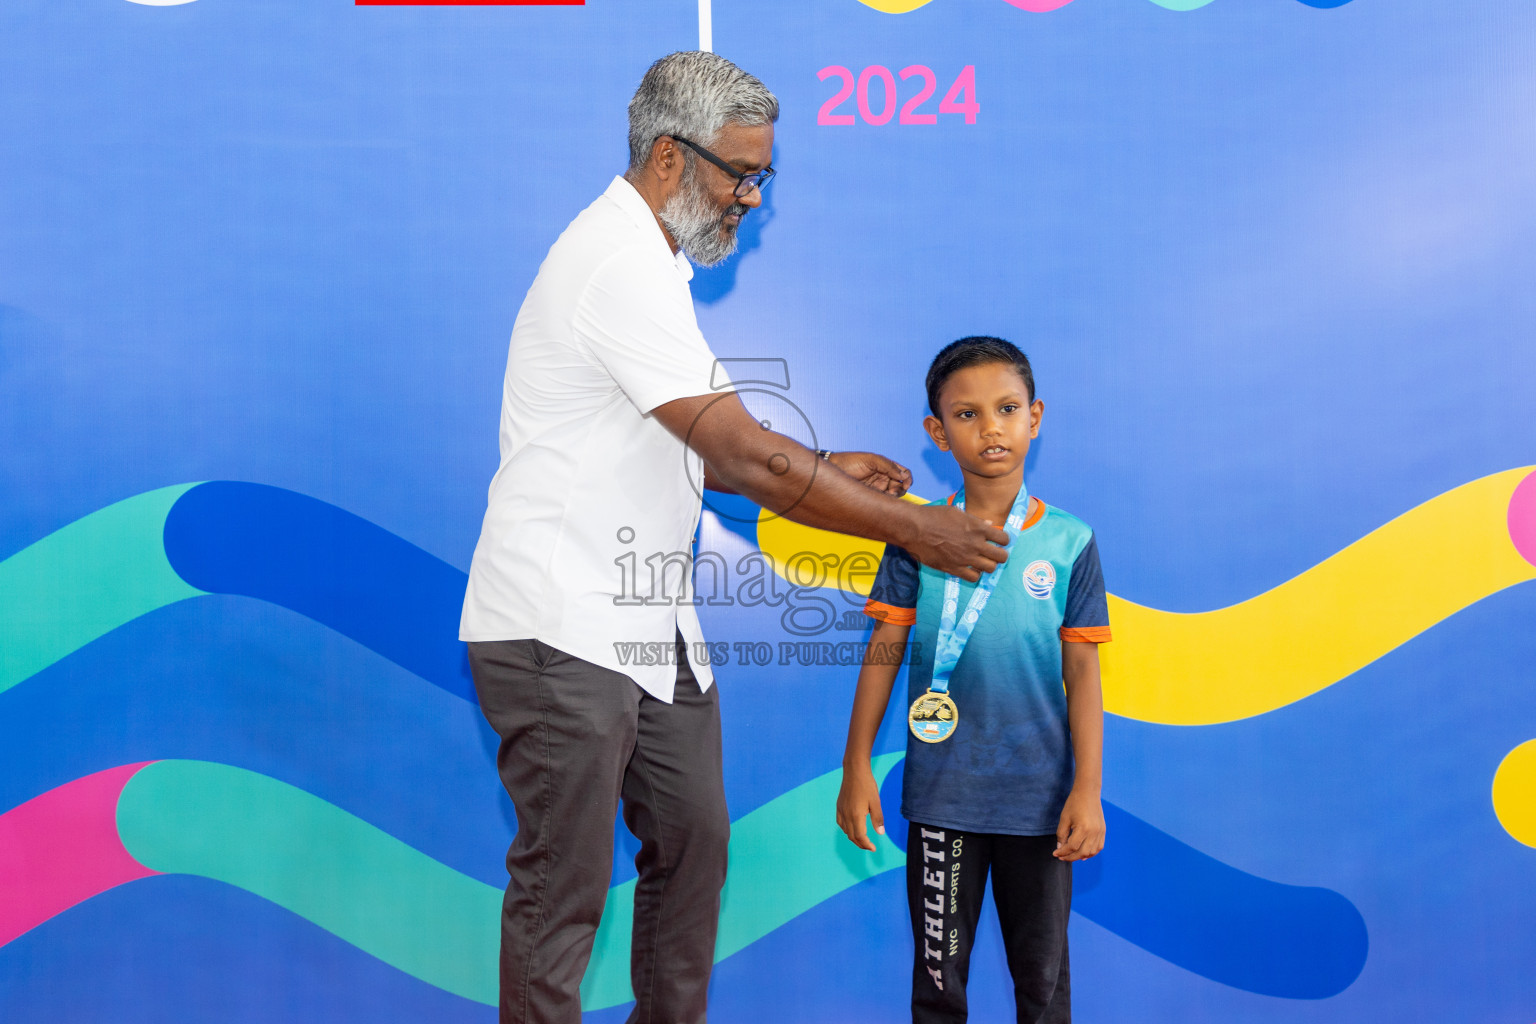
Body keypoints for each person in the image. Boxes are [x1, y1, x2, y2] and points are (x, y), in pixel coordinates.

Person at [460, 53, 1013, 1024]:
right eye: (740, 174)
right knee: (564, 888)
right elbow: (745, 460)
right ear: (671, 160)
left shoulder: (653, 267)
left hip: (646, 628)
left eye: (763, 176)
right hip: (558, 625)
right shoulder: (615, 263)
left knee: (695, 846)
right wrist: (917, 528)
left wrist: (829, 466)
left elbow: (705, 453)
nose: (752, 198)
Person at [835, 336, 1111, 1024]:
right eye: (967, 414)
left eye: (1007, 408)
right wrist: (855, 766)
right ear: (937, 432)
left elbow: (1083, 668)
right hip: (942, 802)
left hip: (1041, 805)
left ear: (1035, 417)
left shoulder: (1070, 542)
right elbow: (886, 644)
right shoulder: (914, 533)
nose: (991, 427)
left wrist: (1087, 789)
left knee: (1043, 992)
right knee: (937, 993)